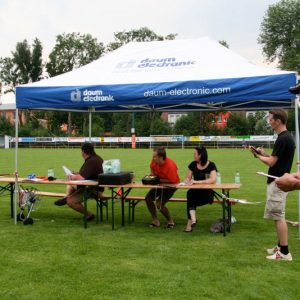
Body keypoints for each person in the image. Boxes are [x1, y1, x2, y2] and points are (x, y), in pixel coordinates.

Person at [250, 109, 295, 261]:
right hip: (280, 180)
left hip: (278, 182)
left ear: (278, 120)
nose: (269, 121)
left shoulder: (283, 139)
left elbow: (271, 162)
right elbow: (275, 159)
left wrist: (257, 156)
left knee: (278, 216)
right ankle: (280, 247)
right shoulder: (285, 137)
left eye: (270, 119)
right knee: (278, 215)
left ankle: (284, 252)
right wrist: (264, 154)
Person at [54, 143, 104, 221]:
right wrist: (75, 174)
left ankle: (89, 215)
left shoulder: (91, 161)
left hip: (93, 189)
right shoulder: (95, 159)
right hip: (93, 186)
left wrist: (71, 176)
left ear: (83, 152)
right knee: (71, 183)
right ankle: (66, 197)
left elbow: (81, 178)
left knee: (70, 200)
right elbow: (87, 174)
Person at [183, 146, 217, 232]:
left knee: (190, 199)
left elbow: (213, 179)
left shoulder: (211, 165)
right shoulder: (193, 164)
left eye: (195, 154)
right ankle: (192, 220)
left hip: (207, 193)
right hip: (195, 192)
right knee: (190, 194)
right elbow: (188, 178)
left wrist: (198, 182)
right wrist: (187, 180)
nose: (193, 155)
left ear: (200, 155)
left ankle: (190, 222)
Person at [145, 147, 180, 228]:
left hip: (171, 186)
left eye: (154, 157)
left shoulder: (171, 166)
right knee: (148, 198)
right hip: (159, 184)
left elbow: (173, 181)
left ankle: (170, 221)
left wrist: (157, 180)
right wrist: (153, 176)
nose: (153, 158)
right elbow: (152, 168)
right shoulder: (154, 162)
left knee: (159, 204)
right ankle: (155, 220)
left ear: (160, 157)